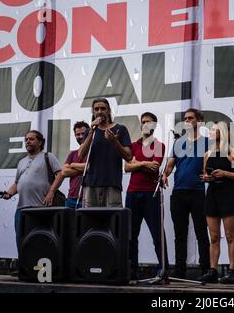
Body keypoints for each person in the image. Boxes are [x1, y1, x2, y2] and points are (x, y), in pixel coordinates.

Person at [162, 108, 210, 279]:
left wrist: (209, 175)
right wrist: (165, 175)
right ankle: (179, 272)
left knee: (201, 233)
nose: (187, 121)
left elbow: (211, 166)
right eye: (185, 118)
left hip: (198, 192)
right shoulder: (177, 143)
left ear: (199, 121)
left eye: (191, 118)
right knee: (179, 234)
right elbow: (170, 165)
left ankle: (206, 270)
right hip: (179, 192)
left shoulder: (208, 142)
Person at [199, 121, 234, 284]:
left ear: (223, 132)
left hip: (228, 194)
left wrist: (225, 173)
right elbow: (206, 174)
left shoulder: (232, 152)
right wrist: (207, 178)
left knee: (230, 235)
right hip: (212, 194)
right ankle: (213, 270)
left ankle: (232, 271)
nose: (211, 132)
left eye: (214, 129)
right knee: (213, 236)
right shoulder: (207, 153)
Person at [124, 112, 169, 281]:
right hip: (132, 193)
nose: (145, 125)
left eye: (149, 122)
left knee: (157, 234)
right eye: (143, 122)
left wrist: (136, 163)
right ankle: (132, 270)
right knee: (130, 235)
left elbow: (154, 167)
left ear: (155, 126)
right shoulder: (133, 145)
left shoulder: (158, 145)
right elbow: (127, 168)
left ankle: (163, 270)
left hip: (152, 194)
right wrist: (142, 163)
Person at [0, 130, 62, 249]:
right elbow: (17, 183)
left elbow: (60, 174)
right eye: (26, 139)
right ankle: (23, 267)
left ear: (40, 142)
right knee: (21, 241)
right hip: (21, 209)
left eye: (31, 139)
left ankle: (40, 267)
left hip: (40, 208)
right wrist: (8, 194)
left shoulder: (48, 156)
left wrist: (51, 192)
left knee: (40, 241)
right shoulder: (21, 162)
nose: (28, 141)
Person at [78, 98, 132, 207]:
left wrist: (114, 141)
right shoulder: (89, 131)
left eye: (103, 108)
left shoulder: (120, 129)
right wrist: (92, 130)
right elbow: (81, 154)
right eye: (96, 109)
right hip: (91, 184)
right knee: (90, 221)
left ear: (108, 111)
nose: (99, 111)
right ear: (93, 112)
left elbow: (128, 156)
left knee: (113, 221)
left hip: (112, 183)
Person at [47, 121, 90, 209]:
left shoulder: (94, 151)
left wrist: (73, 165)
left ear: (89, 134)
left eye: (83, 133)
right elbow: (65, 172)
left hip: (88, 199)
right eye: (77, 134)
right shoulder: (73, 154)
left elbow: (91, 167)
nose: (80, 136)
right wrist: (84, 167)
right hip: (71, 199)